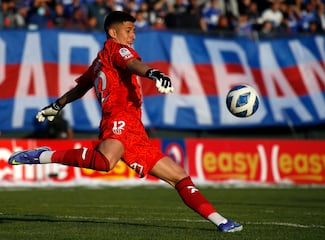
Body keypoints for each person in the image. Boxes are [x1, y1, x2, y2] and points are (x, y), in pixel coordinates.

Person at [8, 10, 242, 233]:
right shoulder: (116, 50)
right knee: (106, 161)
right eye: (129, 30)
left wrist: (57, 105)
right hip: (118, 120)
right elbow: (132, 64)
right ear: (113, 33)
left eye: (134, 30)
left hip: (136, 131)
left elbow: (82, 86)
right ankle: (44, 155)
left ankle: (221, 221)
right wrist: (153, 73)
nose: (133, 36)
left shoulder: (100, 60)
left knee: (179, 177)